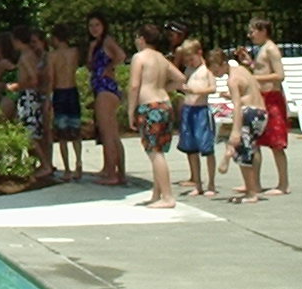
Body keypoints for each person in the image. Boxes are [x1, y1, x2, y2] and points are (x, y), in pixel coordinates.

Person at [127, 24, 186, 208]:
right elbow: (181, 79)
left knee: (155, 152)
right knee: (157, 149)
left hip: (150, 106)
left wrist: (130, 110)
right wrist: (163, 88)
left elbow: (134, 85)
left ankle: (167, 197)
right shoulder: (161, 58)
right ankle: (157, 193)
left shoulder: (140, 57)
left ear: (142, 38)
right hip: (164, 104)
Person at [241, 17, 290, 195]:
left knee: (276, 143)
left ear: (263, 31)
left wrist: (253, 78)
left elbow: (279, 75)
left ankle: (283, 184)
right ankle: (254, 184)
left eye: (252, 31)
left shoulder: (271, 49)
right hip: (261, 98)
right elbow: (262, 69)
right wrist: (251, 64)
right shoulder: (262, 49)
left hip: (273, 99)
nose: (250, 35)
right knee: (255, 141)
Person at [213, 47, 268, 203]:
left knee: (242, 151)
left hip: (249, 114)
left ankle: (251, 193)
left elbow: (237, 106)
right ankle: (254, 185)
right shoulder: (242, 70)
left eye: (215, 70)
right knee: (252, 149)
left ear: (223, 64)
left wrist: (235, 132)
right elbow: (253, 91)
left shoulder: (232, 80)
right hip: (261, 113)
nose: (214, 74)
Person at [87, 13, 127, 186]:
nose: (94, 29)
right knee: (110, 133)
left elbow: (121, 56)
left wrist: (109, 68)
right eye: (91, 26)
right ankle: (117, 171)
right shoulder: (95, 44)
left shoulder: (107, 41)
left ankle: (112, 173)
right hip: (99, 89)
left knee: (108, 133)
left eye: (97, 25)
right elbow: (90, 65)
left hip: (106, 88)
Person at [174, 38, 217, 196]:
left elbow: (212, 88)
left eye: (191, 59)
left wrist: (198, 91)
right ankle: (197, 183)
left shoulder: (206, 71)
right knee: (191, 149)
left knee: (206, 148)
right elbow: (183, 85)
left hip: (201, 111)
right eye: (186, 60)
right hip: (188, 110)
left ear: (199, 53)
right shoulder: (188, 71)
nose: (189, 62)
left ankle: (211, 183)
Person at [8, 25, 52, 178]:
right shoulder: (30, 54)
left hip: (28, 96)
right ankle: (37, 164)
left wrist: (17, 86)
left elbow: (33, 79)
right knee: (31, 132)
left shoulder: (26, 56)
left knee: (29, 133)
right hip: (29, 96)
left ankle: (45, 165)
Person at [47, 22, 84, 181]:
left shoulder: (52, 56)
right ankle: (79, 163)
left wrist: (48, 98)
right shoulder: (74, 52)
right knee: (75, 131)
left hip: (60, 92)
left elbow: (51, 78)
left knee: (62, 134)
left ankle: (67, 169)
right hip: (72, 90)